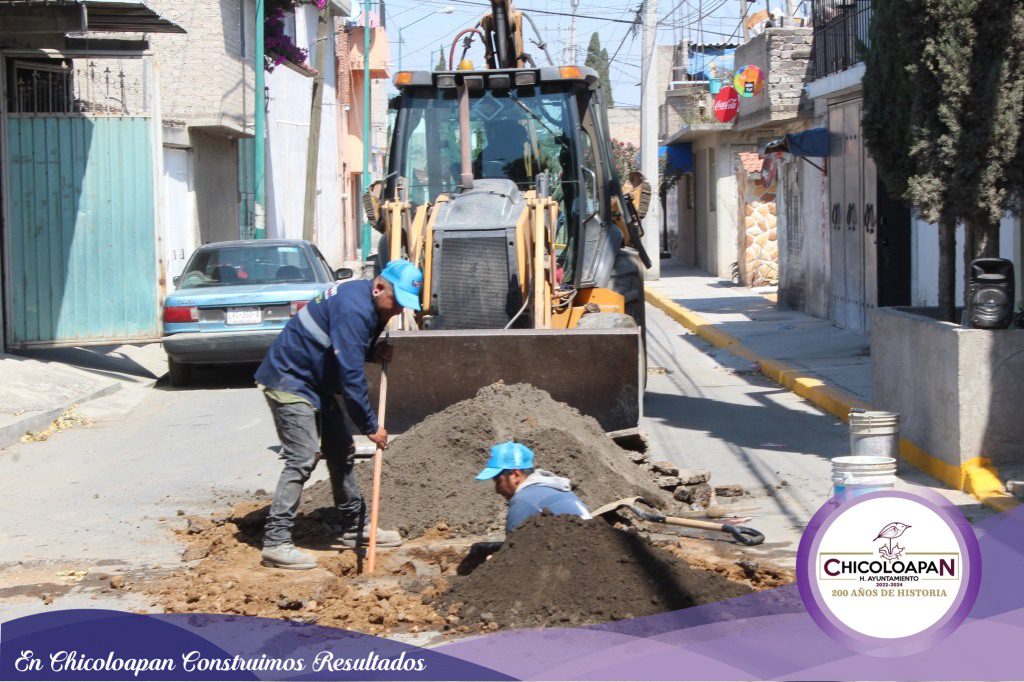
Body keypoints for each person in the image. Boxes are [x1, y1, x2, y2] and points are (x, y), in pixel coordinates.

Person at [254, 259, 423, 569]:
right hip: (290, 380)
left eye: (404, 305)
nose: (398, 310)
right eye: (397, 302)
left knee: (340, 450)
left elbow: (344, 347)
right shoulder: (354, 309)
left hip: (315, 380)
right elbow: (350, 374)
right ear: (379, 288)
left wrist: (372, 352)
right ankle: (276, 542)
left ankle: (354, 526)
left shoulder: (369, 304)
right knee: (302, 457)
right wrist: (370, 425)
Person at [475, 441, 591, 534]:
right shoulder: (559, 489)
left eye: (498, 481)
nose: (497, 490)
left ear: (515, 475)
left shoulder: (524, 501)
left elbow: (513, 555)